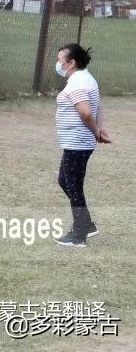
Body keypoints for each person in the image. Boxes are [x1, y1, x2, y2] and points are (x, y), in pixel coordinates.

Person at [53, 43, 111, 248]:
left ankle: (79, 234)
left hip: (78, 143)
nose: (58, 64)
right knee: (65, 181)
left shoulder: (78, 82)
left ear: (71, 63)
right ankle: (86, 223)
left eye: (60, 60)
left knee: (74, 186)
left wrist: (96, 131)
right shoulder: (86, 78)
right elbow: (99, 106)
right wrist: (99, 129)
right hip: (77, 143)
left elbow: (86, 112)